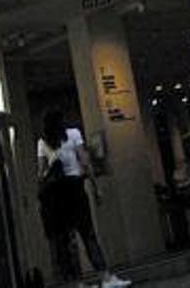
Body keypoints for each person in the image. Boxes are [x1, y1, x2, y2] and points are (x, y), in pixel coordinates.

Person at [37, 109, 130, 288]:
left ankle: (77, 284)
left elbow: (41, 175)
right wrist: (95, 188)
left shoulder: (43, 142)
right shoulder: (73, 134)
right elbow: (85, 162)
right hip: (76, 189)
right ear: (62, 121)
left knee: (67, 240)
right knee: (88, 235)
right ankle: (106, 277)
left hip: (57, 196)